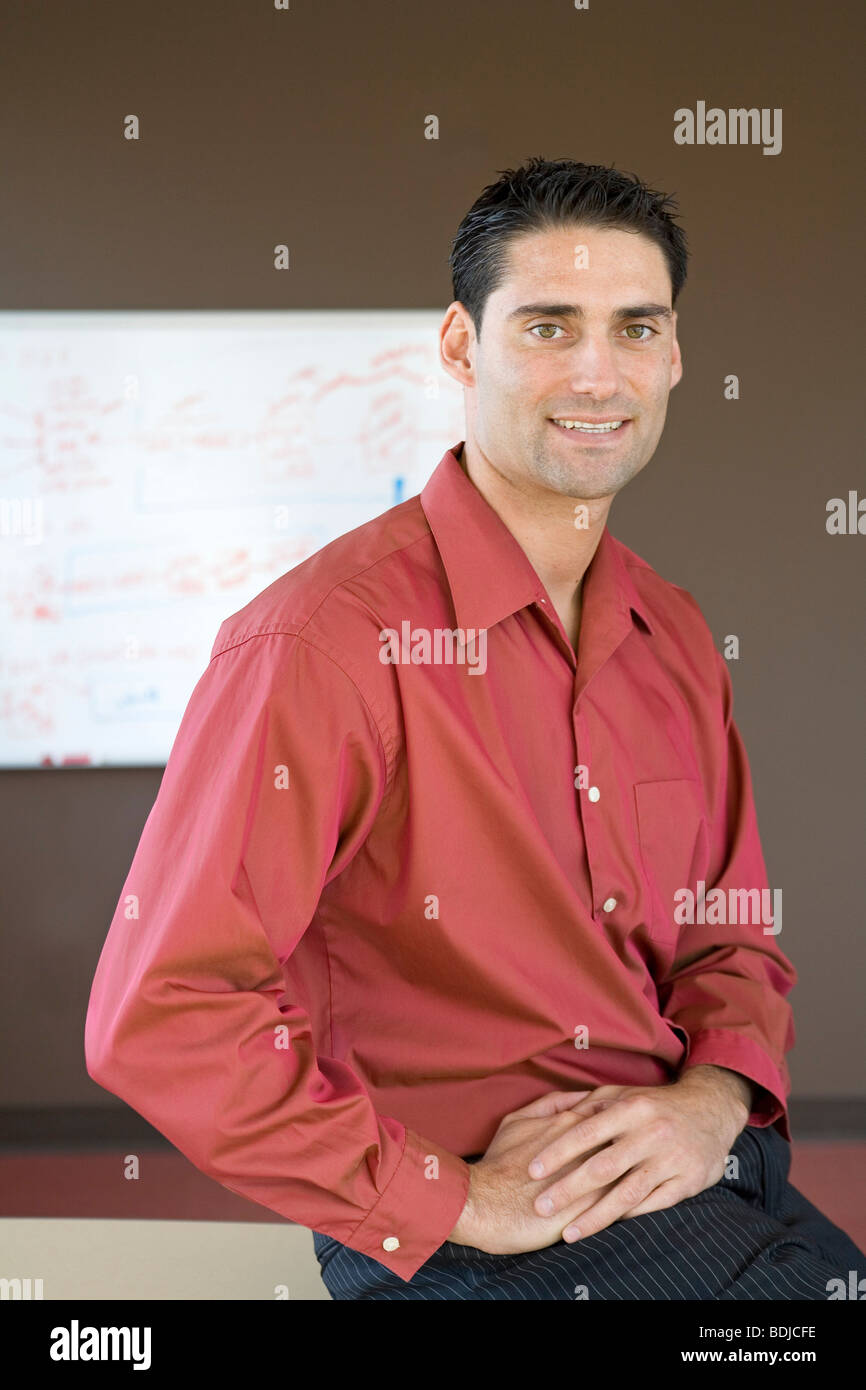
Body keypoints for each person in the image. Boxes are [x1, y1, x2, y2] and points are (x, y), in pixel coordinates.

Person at [85, 157, 865, 1300]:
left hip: (689, 1165)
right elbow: (162, 1010)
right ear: (460, 346)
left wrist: (709, 1102)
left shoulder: (675, 633)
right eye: (548, 326)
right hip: (486, 1228)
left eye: (634, 328)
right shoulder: (319, 642)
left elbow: (728, 936)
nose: (598, 374)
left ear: (675, 355)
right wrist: (451, 1199)